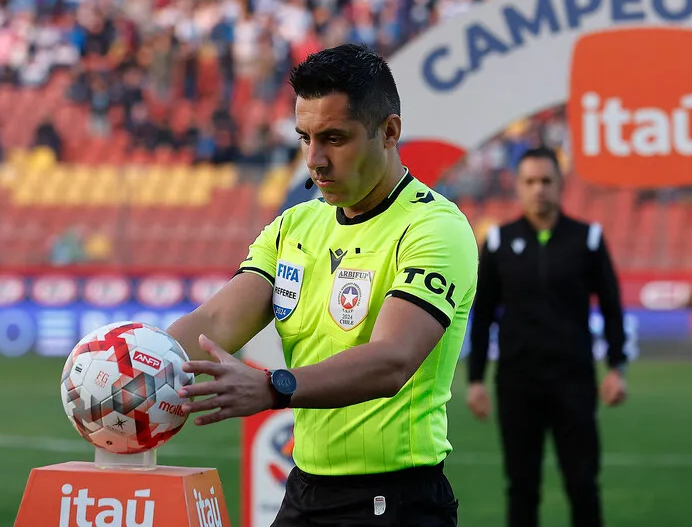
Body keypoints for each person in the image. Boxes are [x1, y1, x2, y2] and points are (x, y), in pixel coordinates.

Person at [167, 43, 479, 526]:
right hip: (306, 491)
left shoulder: (434, 228)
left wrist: (274, 388)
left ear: (389, 132)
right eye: (304, 137)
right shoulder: (294, 227)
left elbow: (391, 360)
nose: (314, 160)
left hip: (395, 502)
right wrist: (132, 360)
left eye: (334, 138)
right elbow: (216, 320)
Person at [466, 147, 628, 527]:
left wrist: (617, 367)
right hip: (518, 385)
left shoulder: (587, 239)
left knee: (583, 484)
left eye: (546, 181)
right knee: (522, 488)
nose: (538, 189)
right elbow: (483, 315)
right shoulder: (498, 243)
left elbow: (612, 307)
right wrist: (475, 380)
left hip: (574, 383)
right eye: (530, 182)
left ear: (560, 185)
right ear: (518, 188)